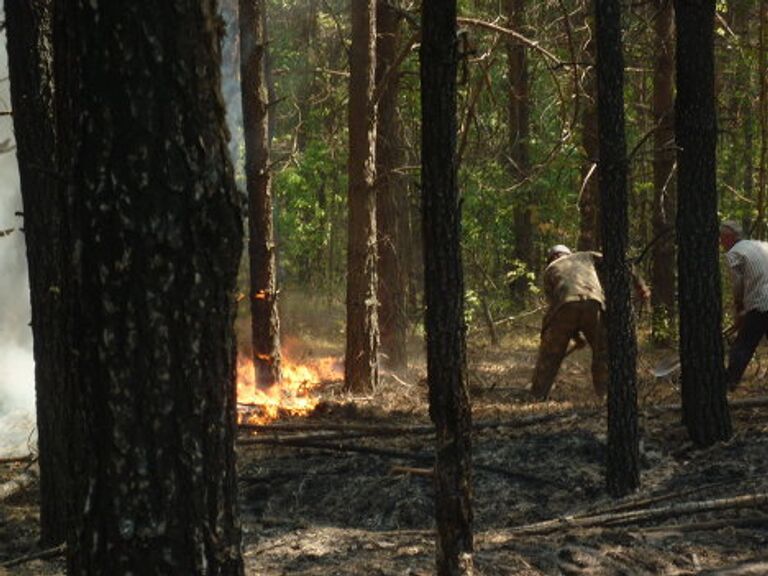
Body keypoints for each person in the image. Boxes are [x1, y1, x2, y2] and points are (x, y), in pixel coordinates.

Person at [530, 244, 649, 401]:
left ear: (551, 258)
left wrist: (575, 338)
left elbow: (558, 309)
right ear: (568, 253)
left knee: (550, 355)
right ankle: (605, 395)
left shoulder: (549, 270)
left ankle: (537, 395)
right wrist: (641, 286)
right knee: (603, 352)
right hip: (594, 303)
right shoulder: (585, 255)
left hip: (565, 306)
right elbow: (620, 262)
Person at [719, 220, 768, 390]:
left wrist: (740, 309)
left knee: (743, 344)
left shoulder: (734, 253)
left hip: (761, 303)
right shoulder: (761, 244)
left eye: (722, 238)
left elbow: (737, 284)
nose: (720, 242)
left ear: (730, 237)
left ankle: (729, 382)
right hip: (761, 301)